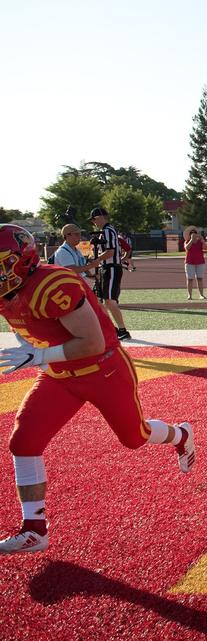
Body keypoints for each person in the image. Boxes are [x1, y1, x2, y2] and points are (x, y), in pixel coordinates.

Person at [0, 225, 194, 554]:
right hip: (60, 375)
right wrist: (38, 355)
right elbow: (25, 327)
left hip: (102, 369)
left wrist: (40, 355)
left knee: (135, 438)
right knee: (24, 442)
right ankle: (34, 529)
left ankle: (181, 435)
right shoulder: (8, 291)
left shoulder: (52, 284)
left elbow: (92, 342)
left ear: (22, 259)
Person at [88, 207, 130, 341]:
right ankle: (114, 329)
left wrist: (97, 259)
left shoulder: (107, 231)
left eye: (94, 219)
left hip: (111, 268)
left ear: (100, 217)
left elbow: (110, 252)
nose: (93, 222)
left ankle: (122, 330)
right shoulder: (105, 232)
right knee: (103, 300)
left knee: (110, 301)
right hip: (106, 268)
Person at [183, 227, 207, 300]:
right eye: (192, 233)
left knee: (200, 278)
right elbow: (187, 248)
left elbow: (205, 248)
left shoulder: (200, 241)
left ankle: (201, 295)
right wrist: (191, 240)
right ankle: (189, 295)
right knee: (190, 279)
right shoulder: (187, 241)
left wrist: (202, 240)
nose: (193, 235)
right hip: (189, 262)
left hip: (200, 262)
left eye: (195, 233)